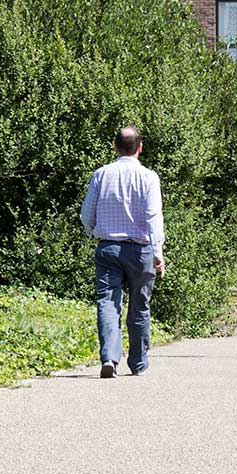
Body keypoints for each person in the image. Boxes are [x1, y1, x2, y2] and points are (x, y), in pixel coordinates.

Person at [81, 124, 165, 378]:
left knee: (108, 303)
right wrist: (157, 251)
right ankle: (138, 363)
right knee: (139, 306)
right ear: (140, 148)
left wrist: (93, 233)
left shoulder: (101, 174)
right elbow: (153, 217)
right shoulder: (149, 177)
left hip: (108, 248)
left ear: (115, 147)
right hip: (141, 251)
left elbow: (87, 213)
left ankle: (109, 358)